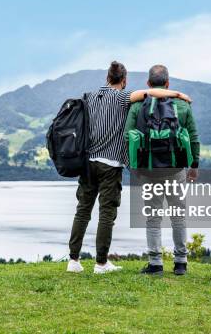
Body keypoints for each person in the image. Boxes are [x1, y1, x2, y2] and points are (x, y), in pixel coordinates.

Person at [67, 61, 192, 274]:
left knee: (82, 211)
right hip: (110, 164)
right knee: (107, 214)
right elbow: (151, 93)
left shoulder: (89, 97)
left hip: (88, 163)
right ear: (123, 80)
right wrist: (178, 95)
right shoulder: (123, 97)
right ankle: (101, 263)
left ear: (107, 78)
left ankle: (73, 260)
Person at [123, 64, 200, 276]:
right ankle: (181, 263)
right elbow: (193, 138)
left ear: (148, 84)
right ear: (168, 83)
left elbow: (127, 136)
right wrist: (193, 166)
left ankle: (155, 263)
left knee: (153, 217)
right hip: (176, 169)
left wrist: (134, 166)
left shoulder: (138, 107)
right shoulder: (183, 106)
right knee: (178, 215)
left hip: (149, 171)